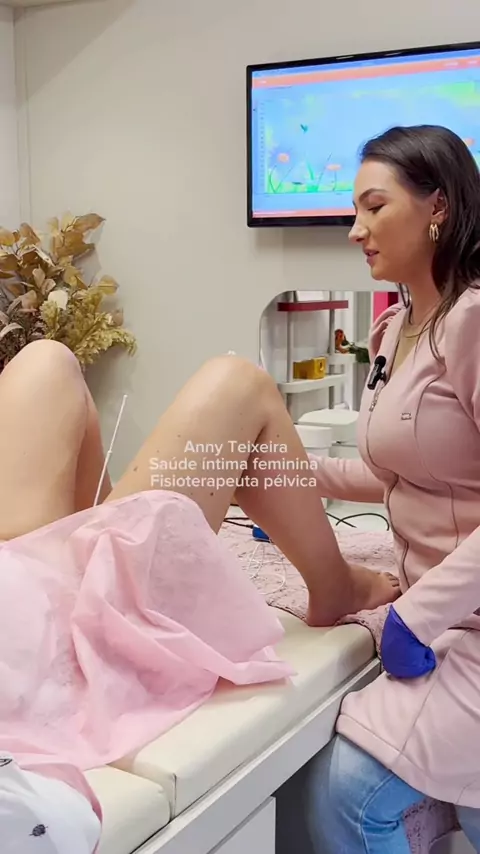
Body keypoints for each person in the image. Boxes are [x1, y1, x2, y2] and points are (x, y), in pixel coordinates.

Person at [0, 327, 399, 851]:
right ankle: (337, 587)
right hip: (30, 653)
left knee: (47, 361)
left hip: (16, 583)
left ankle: (87, 559)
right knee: (238, 385)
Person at [279, 125, 480, 854]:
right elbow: (400, 471)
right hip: (447, 616)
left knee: (350, 793)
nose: (356, 229)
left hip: (463, 618)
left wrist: (415, 618)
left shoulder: (473, 322)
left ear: (439, 207)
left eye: (374, 206)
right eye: (353, 211)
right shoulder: (396, 329)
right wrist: (283, 475)